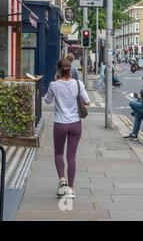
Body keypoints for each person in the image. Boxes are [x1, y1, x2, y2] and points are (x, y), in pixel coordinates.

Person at [44, 59, 90, 200]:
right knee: (71, 156)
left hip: (60, 124)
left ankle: (62, 180)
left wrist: (55, 81)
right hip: (75, 123)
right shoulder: (78, 83)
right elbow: (87, 101)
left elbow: (47, 100)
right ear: (70, 69)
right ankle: (70, 189)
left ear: (58, 70)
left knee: (59, 154)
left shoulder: (54, 85)